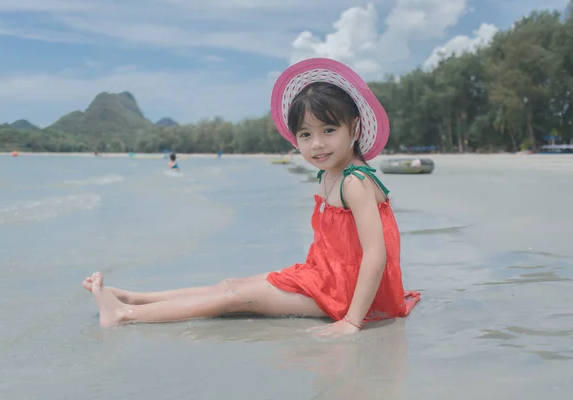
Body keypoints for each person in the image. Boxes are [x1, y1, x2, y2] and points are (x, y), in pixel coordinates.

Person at [83, 58, 420, 336]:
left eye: (329, 130)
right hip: (325, 276)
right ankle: (132, 297)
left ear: (355, 128)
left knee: (235, 296)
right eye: (306, 134)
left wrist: (351, 321)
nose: (317, 144)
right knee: (233, 283)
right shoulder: (330, 173)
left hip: (346, 294)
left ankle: (125, 314)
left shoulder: (355, 182)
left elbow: (376, 255)